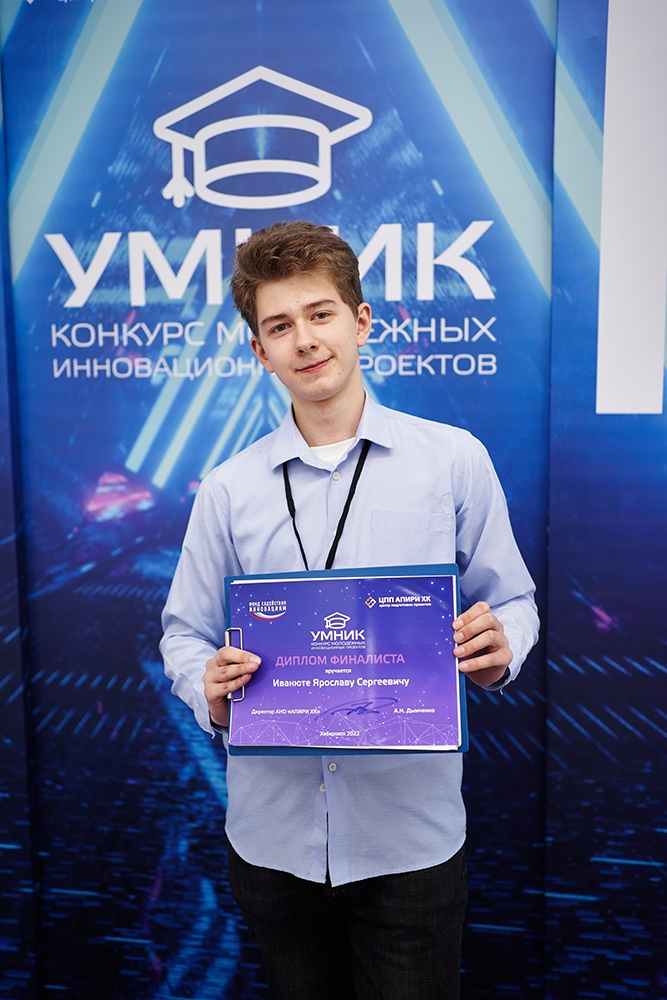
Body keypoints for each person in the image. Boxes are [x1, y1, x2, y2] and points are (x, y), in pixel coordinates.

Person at [160, 220, 539, 1000]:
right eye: (279, 326)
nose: (304, 339)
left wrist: (501, 644)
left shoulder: (452, 460)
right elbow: (184, 633)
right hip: (272, 843)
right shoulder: (228, 489)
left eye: (320, 314)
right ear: (258, 351)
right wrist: (208, 688)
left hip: (409, 839)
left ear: (360, 322)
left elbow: (512, 598)